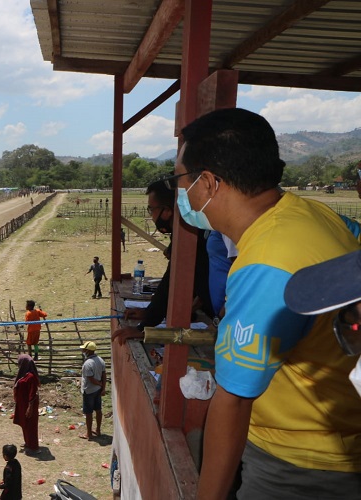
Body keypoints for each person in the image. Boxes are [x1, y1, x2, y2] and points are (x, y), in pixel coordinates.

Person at [173, 108, 361, 499]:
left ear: (207, 184)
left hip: (299, 463)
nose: (182, 194)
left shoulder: (267, 263)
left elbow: (235, 399)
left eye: (182, 180)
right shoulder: (310, 214)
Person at [112, 179, 214, 344]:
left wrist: (144, 326)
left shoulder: (192, 235)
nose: (151, 215)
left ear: (167, 211)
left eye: (151, 209)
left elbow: (172, 280)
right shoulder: (189, 229)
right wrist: (150, 314)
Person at [12, 355, 40, 455]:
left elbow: (32, 393)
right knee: (25, 424)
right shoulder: (24, 375)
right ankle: (28, 442)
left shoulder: (31, 377)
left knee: (31, 425)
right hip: (22, 404)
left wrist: (30, 407)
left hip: (28, 405)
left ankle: (33, 446)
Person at [79, 341, 106, 440]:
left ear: (88, 351)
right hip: (98, 390)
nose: (82, 350)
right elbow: (104, 375)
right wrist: (103, 387)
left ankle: (89, 433)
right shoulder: (100, 360)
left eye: (84, 349)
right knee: (98, 410)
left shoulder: (87, 364)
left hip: (89, 390)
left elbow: (91, 379)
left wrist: (99, 384)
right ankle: (98, 430)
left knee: (88, 412)